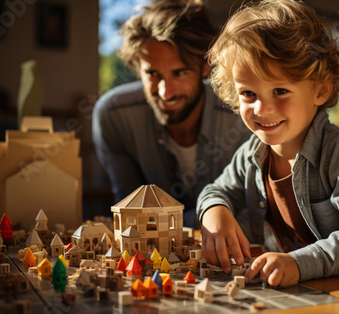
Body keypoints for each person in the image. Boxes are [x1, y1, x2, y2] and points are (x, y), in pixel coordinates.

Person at [197, 0, 339, 288]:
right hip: (307, 296)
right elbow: (216, 190)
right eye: (248, 93)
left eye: (280, 90)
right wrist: (214, 211)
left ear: (321, 89)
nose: (262, 109)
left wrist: (300, 263)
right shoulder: (250, 154)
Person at [92, 0, 251, 228]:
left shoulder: (243, 117)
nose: (165, 92)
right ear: (138, 67)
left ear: (206, 65)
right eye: (153, 74)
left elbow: (248, 218)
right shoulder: (114, 117)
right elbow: (130, 216)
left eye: (179, 73)